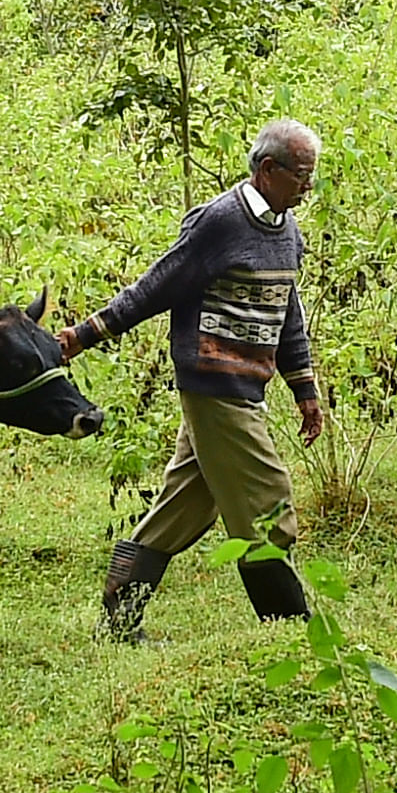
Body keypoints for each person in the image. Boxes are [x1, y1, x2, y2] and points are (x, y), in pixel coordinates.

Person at [66, 119, 327, 636]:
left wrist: (305, 389)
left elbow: (287, 314)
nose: (307, 188)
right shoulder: (219, 222)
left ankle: (119, 615)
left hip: (250, 385)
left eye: (312, 177)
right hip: (213, 382)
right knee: (268, 501)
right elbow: (156, 287)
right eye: (301, 176)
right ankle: (290, 629)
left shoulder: (287, 231)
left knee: (187, 504)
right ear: (267, 170)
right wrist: (85, 333)